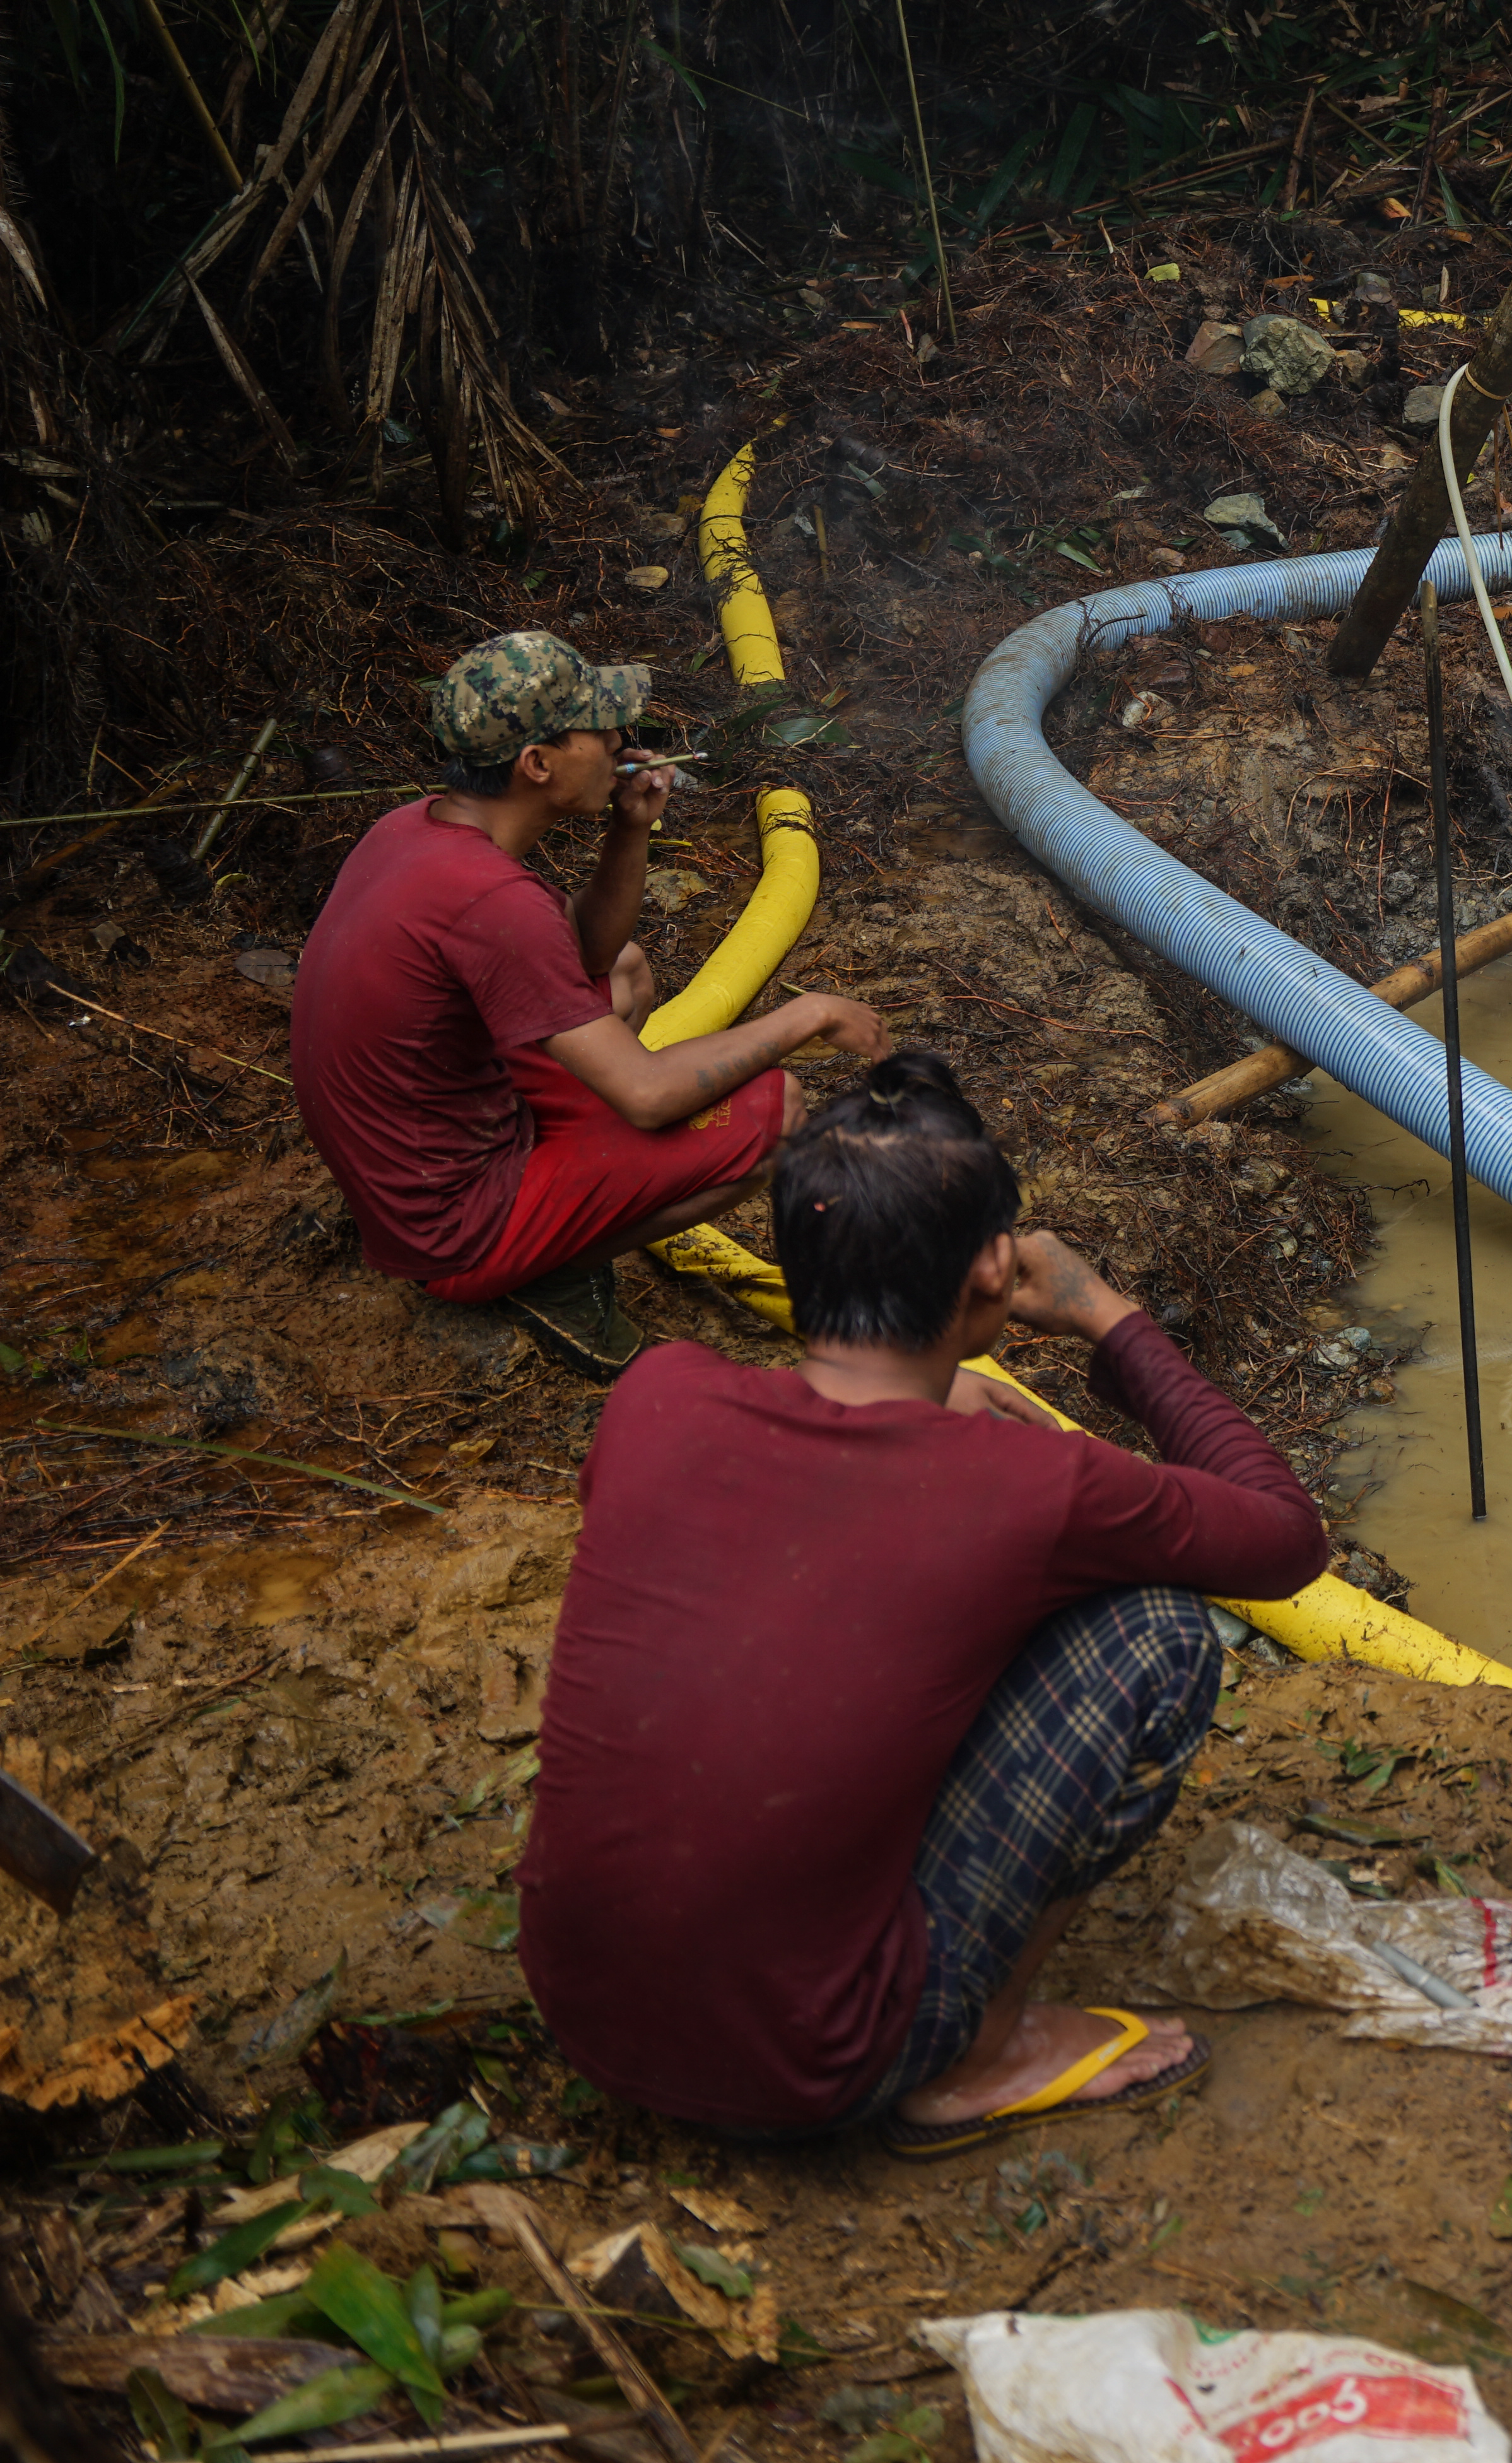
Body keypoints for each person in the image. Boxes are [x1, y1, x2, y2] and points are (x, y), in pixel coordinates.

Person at [519, 1054, 1328, 2153]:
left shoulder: (655, 1393)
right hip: (818, 2061)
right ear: (992, 1268)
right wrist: (1106, 1314)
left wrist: (944, 1409)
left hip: (587, 2014)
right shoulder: (1033, 1489)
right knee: (1155, 1632)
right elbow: (1283, 1536)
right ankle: (979, 2053)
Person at [290, 629, 882, 1372]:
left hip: (410, 1158)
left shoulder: (414, 830)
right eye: (600, 732)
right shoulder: (492, 901)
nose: (621, 743)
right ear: (536, 764)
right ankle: (547, 1273)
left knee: (626, 972)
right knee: (775, 1115)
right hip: (450, 1231)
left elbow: (593, 961)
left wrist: (631, 828)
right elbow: (644, 1095)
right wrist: (809, 1013)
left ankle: (550, 1208)